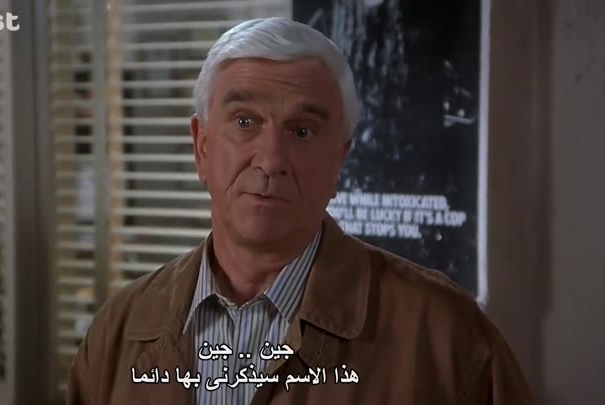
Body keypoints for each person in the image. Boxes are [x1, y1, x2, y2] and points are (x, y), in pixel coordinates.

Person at [67, 17, 533, 405]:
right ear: (201, 147)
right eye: (245, 122)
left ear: (340, 161)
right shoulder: (119, 331)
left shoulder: (445, 337)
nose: (271, 160)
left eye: (302, 131)